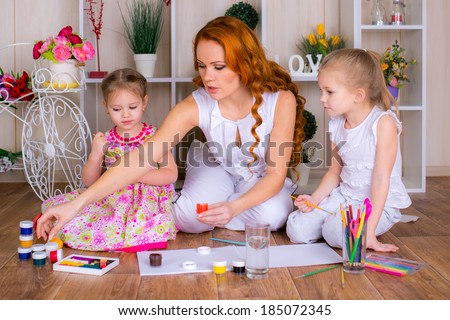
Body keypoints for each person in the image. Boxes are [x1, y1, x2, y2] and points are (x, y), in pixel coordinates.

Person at [37, 16, 306, 240]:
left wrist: (234, 206)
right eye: (202, 66)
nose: (207, 77)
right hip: (214, 165)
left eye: (218, 66)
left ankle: (230, 205)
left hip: (261, 177)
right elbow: (141, 159)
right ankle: (224, 205)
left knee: (273, 215)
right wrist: (76, 205)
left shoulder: (281, 100)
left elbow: (274, 174)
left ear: (245, 64)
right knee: (188, 219)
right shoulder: (196, 104)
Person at [286, 48, 411, 252]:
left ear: (358, 95)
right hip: (345, 197)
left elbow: (381, 179)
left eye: (329, 92)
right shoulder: (336, 124)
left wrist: (369, 232)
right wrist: (315, 199)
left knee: (335, 232)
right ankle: (337, 223)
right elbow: (335, 172)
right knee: (296, 228)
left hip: (378, 205)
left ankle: (359, 228)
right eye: (321, 91)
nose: (322, 98)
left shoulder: (383, 124)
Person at [39, 68, 178, 252]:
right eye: (117, 109)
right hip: (112, 196)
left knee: (135, 224)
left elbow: (170, 174)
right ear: (106, 107)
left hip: (145, 198)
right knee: (78, 213)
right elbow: (90, 182)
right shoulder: (107, 139)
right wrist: (95, 155)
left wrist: (135, 175)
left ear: (144, 102)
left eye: (132, 107)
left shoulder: (155, 136)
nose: (126, 114)